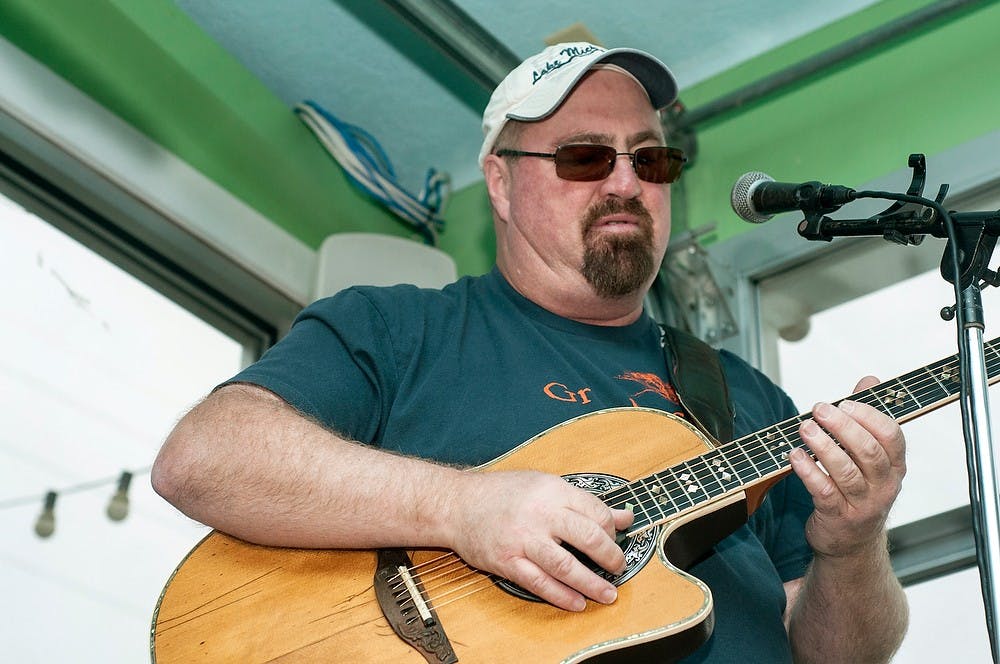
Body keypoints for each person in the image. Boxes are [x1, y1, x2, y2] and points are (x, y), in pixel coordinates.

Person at [152, 42, 908, 662]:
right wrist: (460, 507)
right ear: (502, 185)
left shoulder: (747, 398)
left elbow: (841, 657)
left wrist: (852, 543)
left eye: (652, 161)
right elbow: (203, 457)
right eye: (585, 158)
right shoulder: (397, 329)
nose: (626, 182)